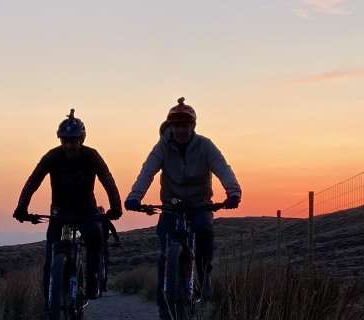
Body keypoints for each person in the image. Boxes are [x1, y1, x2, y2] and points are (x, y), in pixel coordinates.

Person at [124, 97, 241, 301]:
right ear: (171, 126)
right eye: (176, 125)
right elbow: (147, 171)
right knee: (166, 252)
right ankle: (163, 306)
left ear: (192, 126)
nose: (181, 130)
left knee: (204, 231)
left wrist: (233, 193)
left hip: (200, 203)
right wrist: (135, 197)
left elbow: (223, 168)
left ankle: (203, 278)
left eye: (185, 125)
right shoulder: (162, 147)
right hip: (172, 204)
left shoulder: (205, 146)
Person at [13, 110, 123, 299]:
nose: (69, 145)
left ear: (81, 139)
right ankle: (50, 307)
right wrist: (21, 208)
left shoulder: (91, 156)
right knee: (52, 255)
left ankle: (92, 283)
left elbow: (108, 180)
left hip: (86, 211)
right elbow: (33, 181)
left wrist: (116, 207)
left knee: (94, 240)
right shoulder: (52, 156)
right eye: (65, 141)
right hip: (60, 212)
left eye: (73, 141)